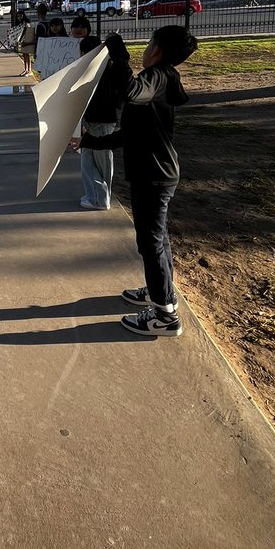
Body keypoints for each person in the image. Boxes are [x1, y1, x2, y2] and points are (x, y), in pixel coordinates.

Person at [80, 25, 198, 337]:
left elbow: (131, 89)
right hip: (154, 173)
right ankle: (162, 292)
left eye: (148, 44)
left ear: (156, 51)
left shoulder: (157, 76)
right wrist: (89, 141)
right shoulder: (162, 78)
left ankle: (165, 316)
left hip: (154, 176)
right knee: (157, 239)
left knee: (151, 242)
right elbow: (129, 135)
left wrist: (119, 54)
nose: (145, 49)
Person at [73, 35, 117, 210]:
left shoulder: (101, 72)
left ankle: (100, 199)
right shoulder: (104, 69)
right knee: (89, 161)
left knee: (99, 162)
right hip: (95, 121)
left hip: (100, 122)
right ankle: (94, 196)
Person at [14, 9, 36, 76]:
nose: (19, 17)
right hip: (23, 41)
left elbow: (25, 32)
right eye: (18, 16)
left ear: (23, 16)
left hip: (27, 40)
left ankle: (29, 70)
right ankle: (26, 69)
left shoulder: (26, 23)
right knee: (24, 55)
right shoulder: (20, 24)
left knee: (27, 55)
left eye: (20, 16)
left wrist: (20, 39)